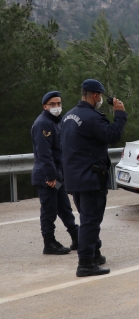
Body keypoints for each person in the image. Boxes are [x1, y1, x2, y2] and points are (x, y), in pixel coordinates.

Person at [61, 79, 127, 277]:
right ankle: (86, 263)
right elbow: (113, 135)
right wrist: (120, 114)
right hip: (91, 177)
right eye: (100, 97)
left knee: (88, 218)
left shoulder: (68, 116)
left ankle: (95, 253)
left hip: (73, 176)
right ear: (97, 96)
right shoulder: (92, 117)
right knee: (91, 220)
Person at [31, 91, 79, 256]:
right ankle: (49, 243)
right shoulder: (42, 124)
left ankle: (76, 237)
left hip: (56, 176)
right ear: (45, 106)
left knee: (64, 207)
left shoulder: (56, 122)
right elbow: (44, 154)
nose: (57, 107)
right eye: (53, 104)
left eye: (59, 104)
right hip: (47, 177)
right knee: (49, 210)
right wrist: (50, 177)